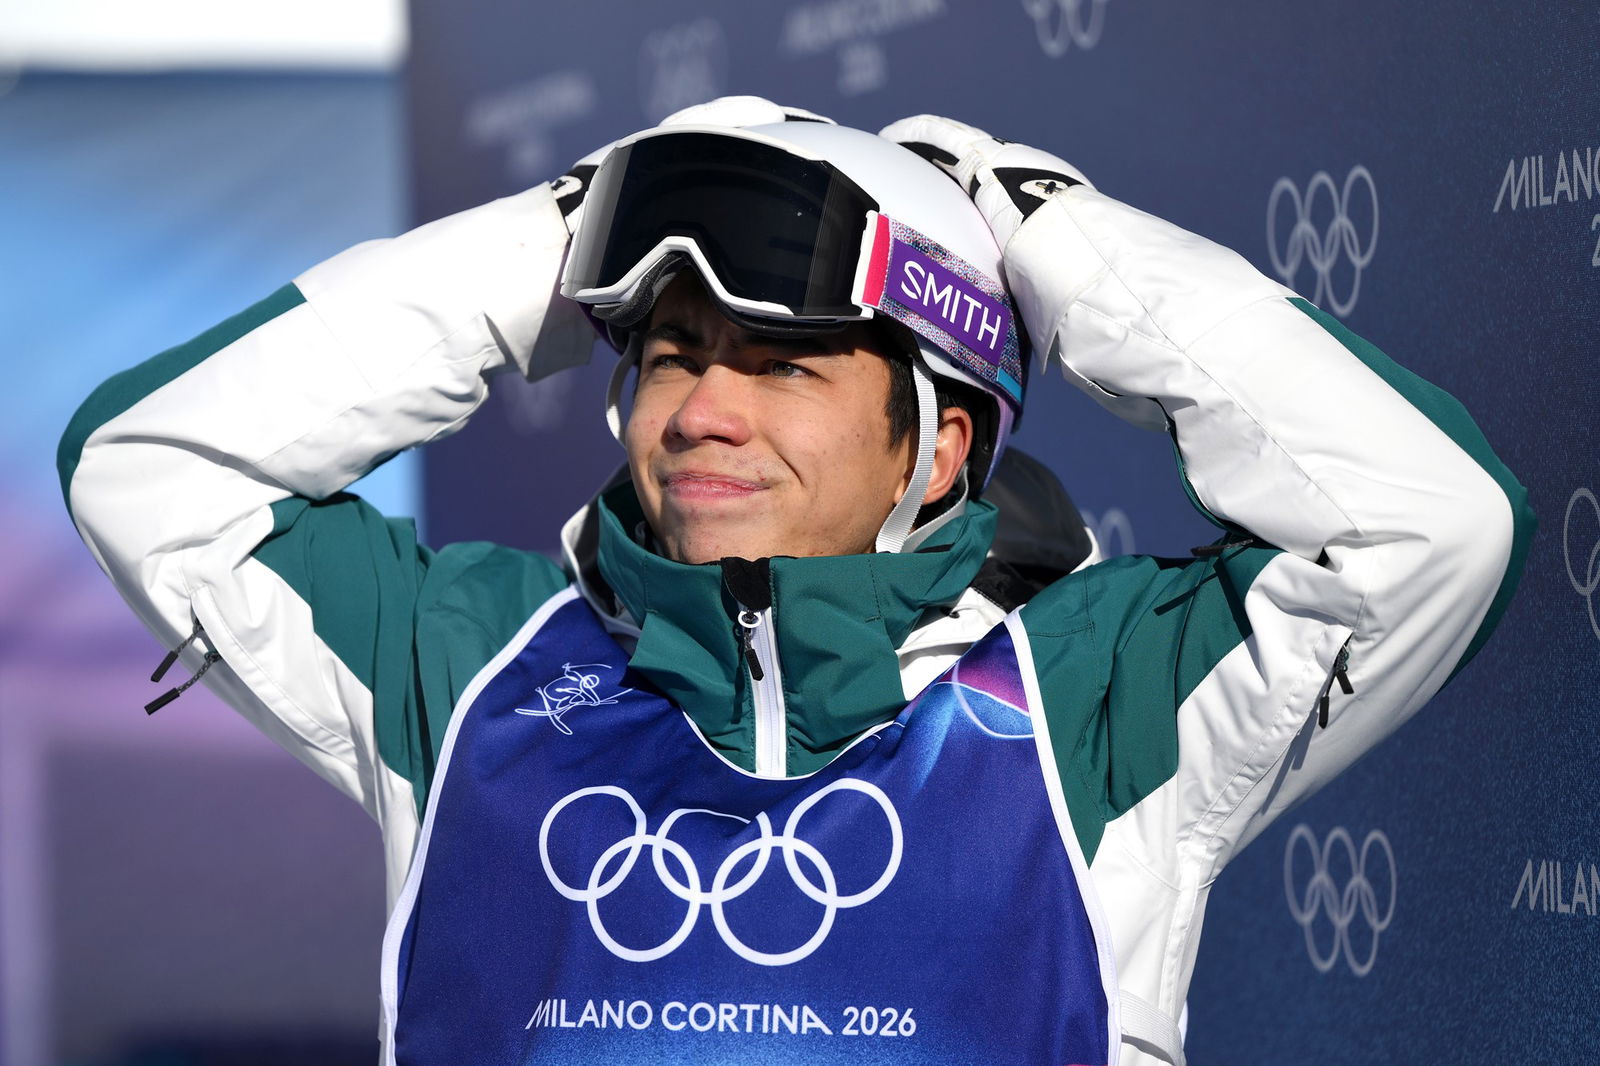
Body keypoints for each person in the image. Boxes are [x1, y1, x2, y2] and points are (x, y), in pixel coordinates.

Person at [59, 97, 1533, 1065]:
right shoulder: (467, 662)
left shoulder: (1096, 695)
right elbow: (147, 467)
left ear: (939, 445)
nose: (705, 410)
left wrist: (1048, 239)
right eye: (671, 355)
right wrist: (560, 238)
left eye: (783, 364)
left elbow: (1432, 525)